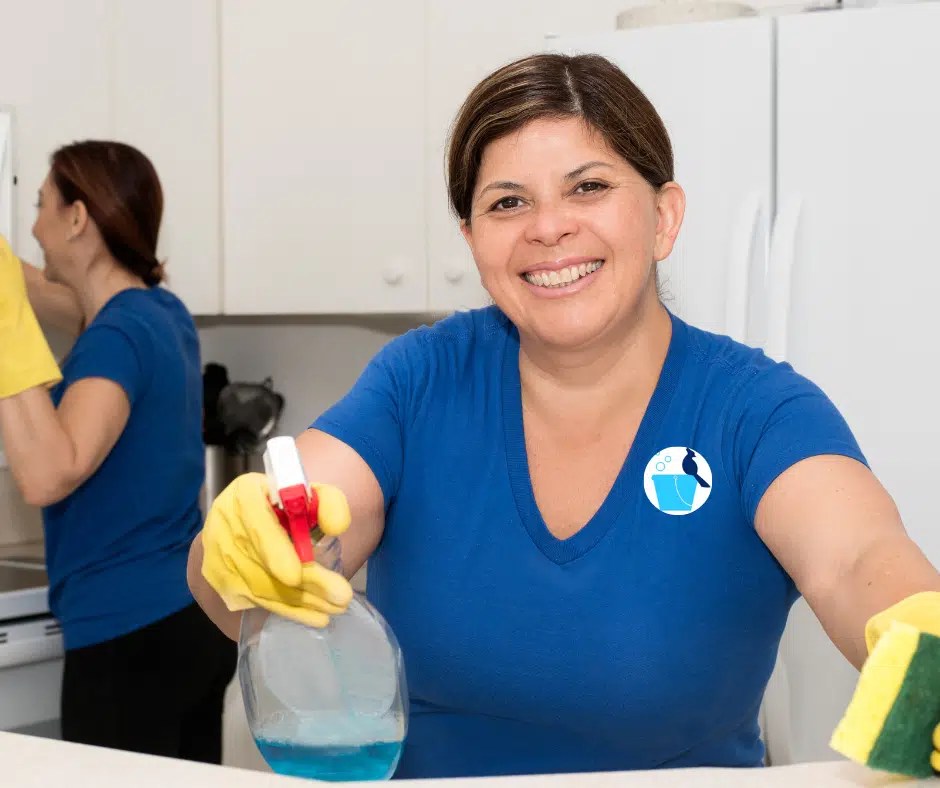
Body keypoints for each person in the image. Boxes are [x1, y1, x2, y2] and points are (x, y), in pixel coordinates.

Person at [188, 54, 940, 779]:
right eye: (507, 202)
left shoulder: (754, 410)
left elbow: (857, 559)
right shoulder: (421, 381)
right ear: (473, 240)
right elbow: (290, 535)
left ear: (664, 217)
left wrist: (924, 642)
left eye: (588, 187)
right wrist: (240, 551)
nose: (548, 227)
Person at [0, 140, 236, 762]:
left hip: (130, 642)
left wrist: (2, 316)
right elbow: (55, 296)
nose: (34, 228)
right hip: (187, 620)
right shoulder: (160, 312)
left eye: (41, 206)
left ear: (78, 218)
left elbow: (49, 474)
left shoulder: (116, 337)